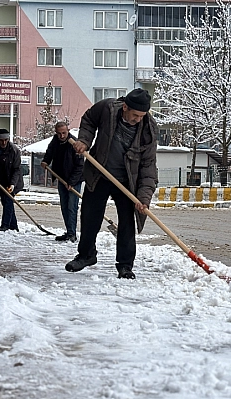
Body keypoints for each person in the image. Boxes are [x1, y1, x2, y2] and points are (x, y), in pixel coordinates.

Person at [65, 88, 158, 279]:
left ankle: (125, 265)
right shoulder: (108, 108)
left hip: (127, 181)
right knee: (90, 216)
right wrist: (84, 140)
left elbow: (149, 166)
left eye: (142, 116)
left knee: (127, 223)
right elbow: (89, 120)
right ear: (125, 107)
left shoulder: (149, 129)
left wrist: (143, 198)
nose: (137, 119)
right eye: (134, 115)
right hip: (100, 173)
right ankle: (86, 255)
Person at [41, 122, 85, 242]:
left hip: (74, 180)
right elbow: (50, 152)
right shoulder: (55, 141)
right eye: (59, 133)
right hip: (61, 178)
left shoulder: (74, 143)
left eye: (64, 133)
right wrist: (46, 161)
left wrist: (71, 181)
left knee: (72, 207)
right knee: (65, 207)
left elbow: (80, 166)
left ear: (68, 130)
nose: (61, 136)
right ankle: (69, 231)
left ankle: (72, 234)